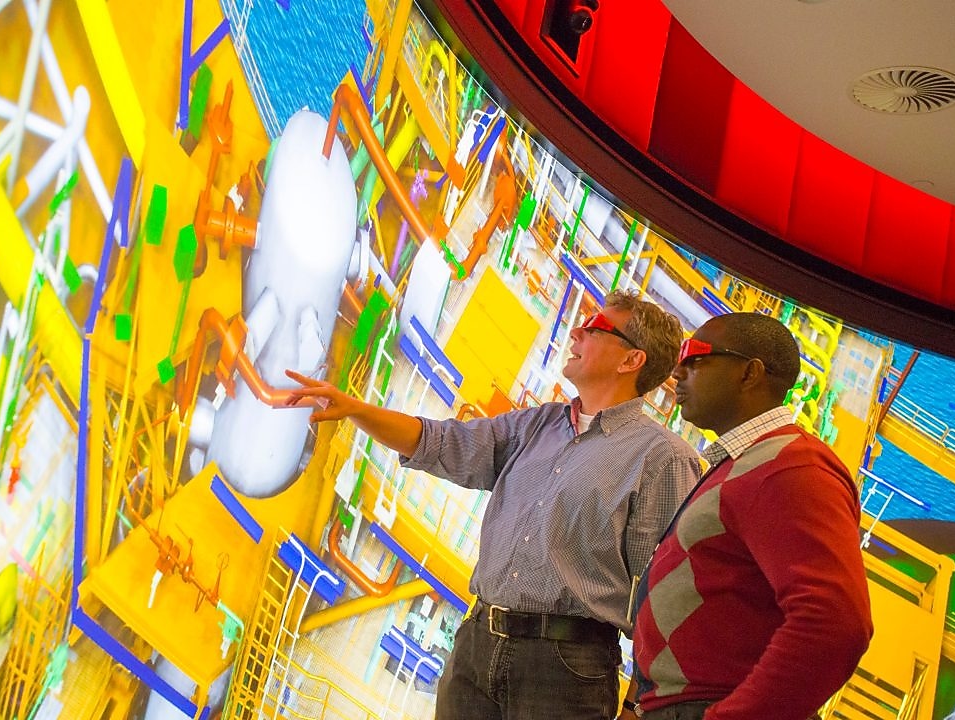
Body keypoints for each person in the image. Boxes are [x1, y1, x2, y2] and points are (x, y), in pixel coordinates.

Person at [286, 290, 701, 720]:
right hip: (477, 646)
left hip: (565, 672)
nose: (577, 331)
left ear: (631, 360)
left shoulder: (662, 459)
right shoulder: (538, 424)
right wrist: (354, 409)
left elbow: (664, 598)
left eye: (595, 327)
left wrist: (636, 705)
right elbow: (444, 443)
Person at [625, 313, 873, 720]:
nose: (677, 372)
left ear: (749, 373)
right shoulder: (750, 463)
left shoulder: (792, 468)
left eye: (695, 357)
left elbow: (835, 623)